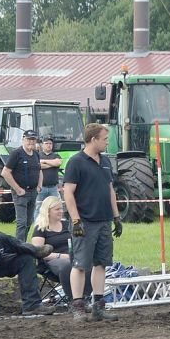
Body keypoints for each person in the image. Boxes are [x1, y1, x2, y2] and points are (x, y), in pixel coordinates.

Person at [63, 123, 124, 322]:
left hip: (104, 220)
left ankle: (98, 306)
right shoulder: (76, 162)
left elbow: (110, 190)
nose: (107, 142)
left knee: (101, 264)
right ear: (93, 140)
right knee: (80, 265)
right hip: (85, 222)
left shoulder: (105, 161)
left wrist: (116, 216)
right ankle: (78, 306)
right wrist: (76, 220)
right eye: (105, 139)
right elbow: (68, 193)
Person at [31, 196, 92, 303]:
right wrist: (60, 256)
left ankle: (85, 297)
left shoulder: (67, 224)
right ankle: (73, 301)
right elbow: (38, 252)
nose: (61, 211)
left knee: (86, 263)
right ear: (48, 211)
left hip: (73, 257)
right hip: (50, 261)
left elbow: (80, 241)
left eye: (61, 208)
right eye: (57, 209)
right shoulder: (40, 229)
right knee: (67, 266)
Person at [1, 129, 42, 242]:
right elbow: (5, 172)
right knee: (22, 222)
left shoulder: (36, 155)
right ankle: (19, 246)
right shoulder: (16, 153)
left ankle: (23, 243)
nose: (31, 142)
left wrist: (39, 186)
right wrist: (17, 189)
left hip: (33, 192)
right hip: (21, 193)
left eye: (33, 140)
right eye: (29, 139)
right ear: (23, 139)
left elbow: (40, 170)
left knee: (29, 222)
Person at [33, 135, 62, 221]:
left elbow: (58, 163)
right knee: (38, 208)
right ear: (42, 145)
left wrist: (44, 161)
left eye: (50, 143)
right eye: (46, 143)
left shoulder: (56, 155)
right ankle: (37, 227)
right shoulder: (37, 155)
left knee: (57, 206)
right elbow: (37, 166)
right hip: (41, 188)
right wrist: (51, 164)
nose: (49, 145)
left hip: (53, 188)